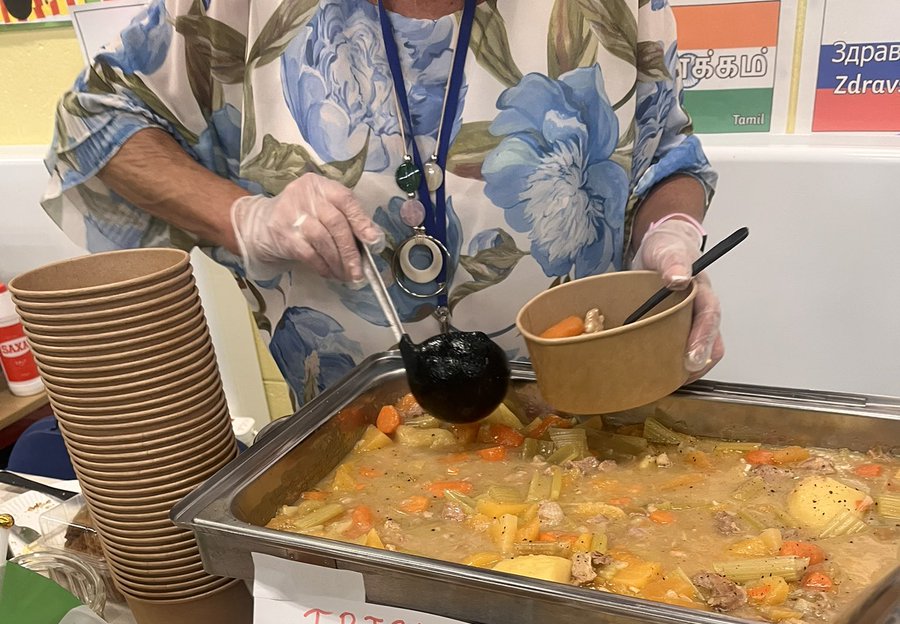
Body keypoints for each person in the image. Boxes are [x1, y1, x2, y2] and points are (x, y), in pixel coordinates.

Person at [44, 0, 723, 407]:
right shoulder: (229, 7)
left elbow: (666, 149)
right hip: (350, 433)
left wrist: (669, 231)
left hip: (589, 403)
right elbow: (96, 121)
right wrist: (246, 219)